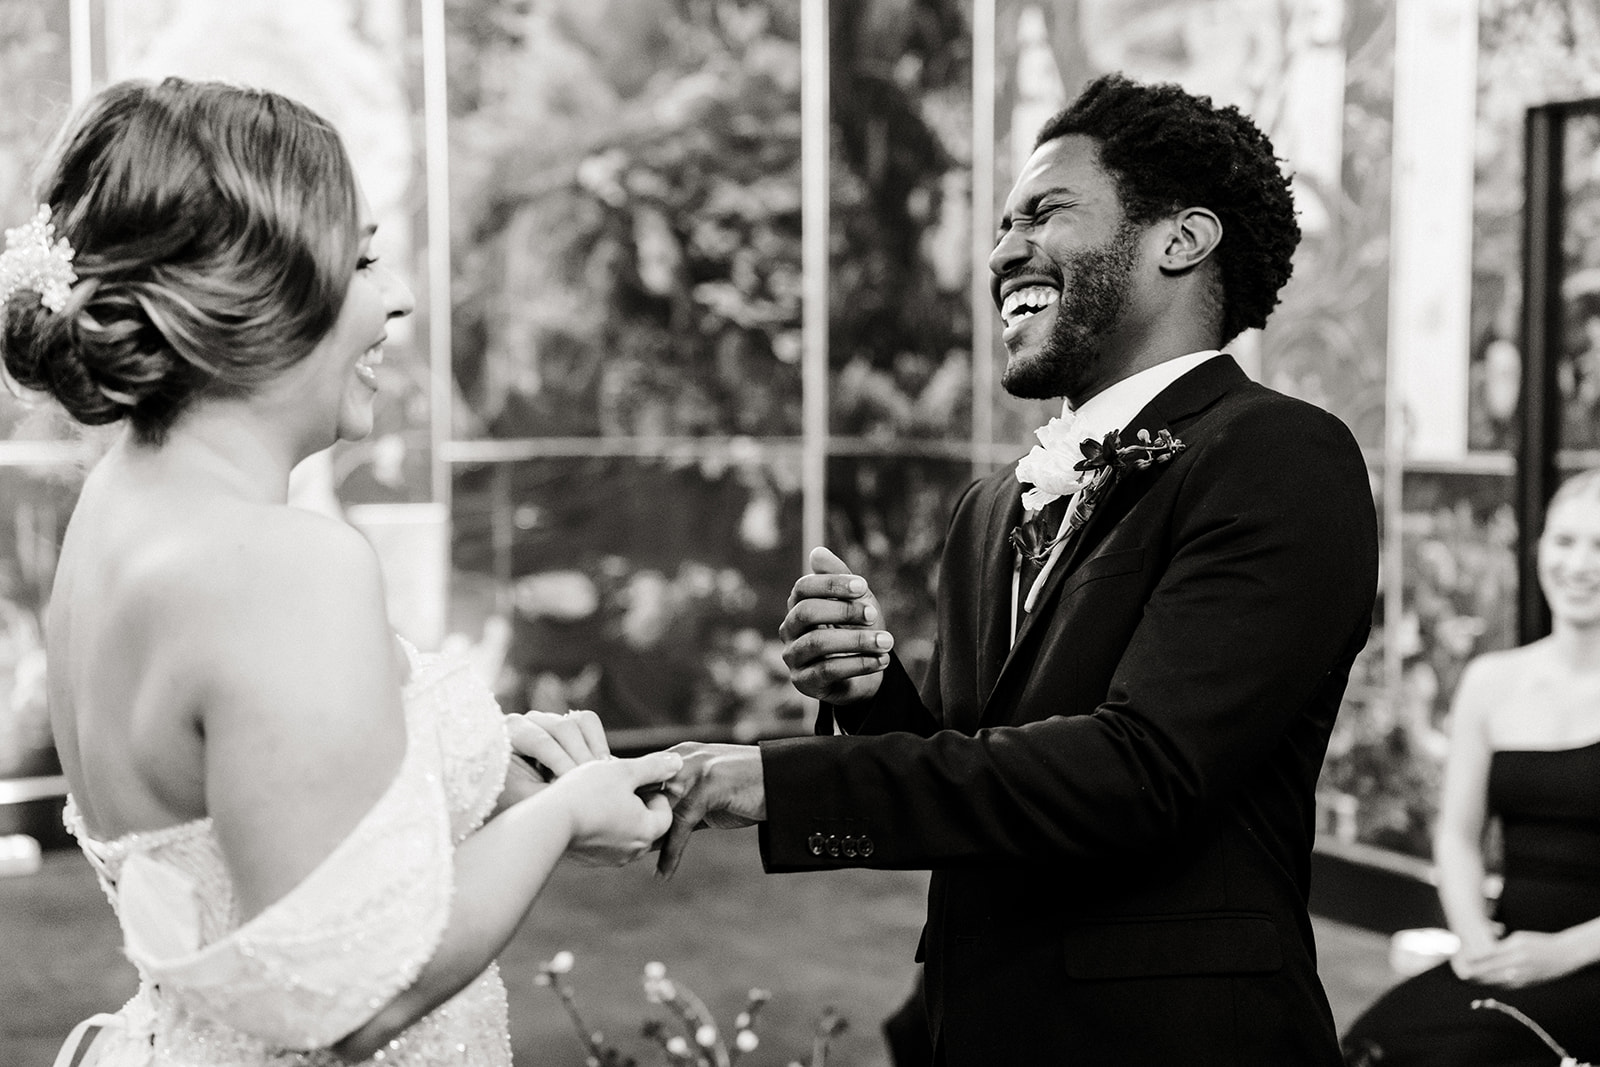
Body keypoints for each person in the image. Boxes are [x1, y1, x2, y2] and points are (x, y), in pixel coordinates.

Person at [657, 73, 1380, 1065]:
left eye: (1044, 212)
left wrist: (779, 781)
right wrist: (872, 697)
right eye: (1003, 224)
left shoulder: (1277, 456)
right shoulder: (991, 506)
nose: (1001, 252)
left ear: (1180, 239)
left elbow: (1140, 772)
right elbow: (981, 771)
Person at [0, 77, 679, 1067]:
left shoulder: (117, 514)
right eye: (360, 261)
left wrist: (480, 762)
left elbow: (229, 821)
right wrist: (565, 812)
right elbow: (352, 996)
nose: (398, 296)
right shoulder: (279, 565)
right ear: (254, 292)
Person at [1341, 470, 1600, 1066]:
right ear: (1539, 548)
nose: (1578, 564)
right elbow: (1457, 836)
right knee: (1372, 1048)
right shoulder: (1490, 682)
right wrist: (1474, 936)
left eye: (1598, 545)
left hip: (1586, 959)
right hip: (1506, 953)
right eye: (1565, 541)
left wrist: (1561, 953)